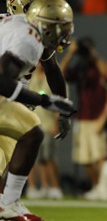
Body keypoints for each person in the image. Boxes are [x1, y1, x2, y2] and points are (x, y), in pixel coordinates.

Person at [0, 0, 75, 221]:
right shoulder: (28, 41)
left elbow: (52, 69)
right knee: (30, 134)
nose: (64, 32)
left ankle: (5, 216)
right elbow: (1, 82)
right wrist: (44, 100)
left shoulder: (23, 24)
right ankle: (7, 205)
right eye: (60, 27)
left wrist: (58, 104)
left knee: (26, 135)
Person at [60, 37, 107, 198]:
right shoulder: (80, 67)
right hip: (83, 118)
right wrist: (71, 53)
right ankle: (98, 186)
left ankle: (104, 188)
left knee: (100, 156)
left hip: (98, 118)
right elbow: (61, 72)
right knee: (84, 158)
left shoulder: (98, 65)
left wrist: (95, 56)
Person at [25, 64, 63, 200]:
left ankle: (54, 187)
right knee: (32, 158)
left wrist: (56, 122)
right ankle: (35, 187)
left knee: (48, 158)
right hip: (32, 122)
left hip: (47, 123)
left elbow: (60, 100)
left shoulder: (53, 76)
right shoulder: (30, 75)